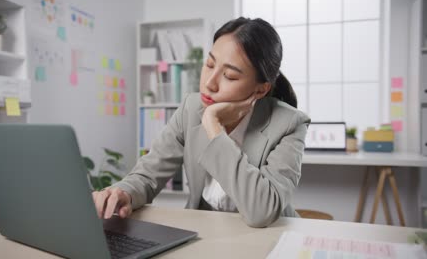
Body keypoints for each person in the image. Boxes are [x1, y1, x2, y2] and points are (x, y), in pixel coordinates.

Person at [92, 17, 310, 228]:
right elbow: (149, 174)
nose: (209, 82)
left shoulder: (289, 123)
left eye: (230, 76)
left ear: (261, 89)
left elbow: (261, 211)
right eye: (209, 64)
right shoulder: (190, 108)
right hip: (207, 234)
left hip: (271, 239)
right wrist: (124, 193)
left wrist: (214, 127)